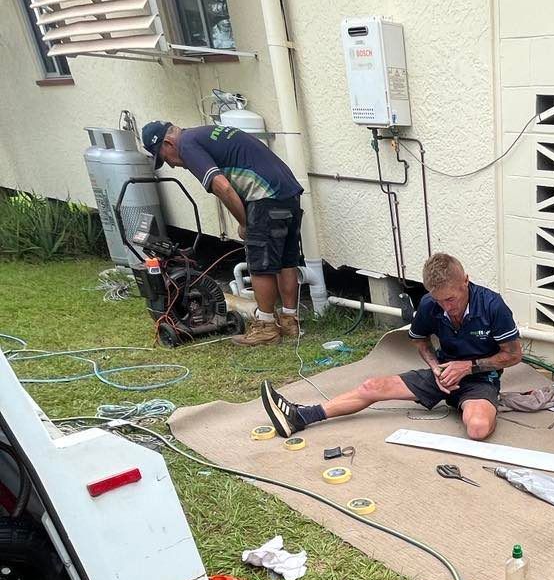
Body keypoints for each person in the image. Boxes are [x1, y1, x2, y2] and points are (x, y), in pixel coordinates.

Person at [260, 252, 522, 442]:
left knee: (477, 429)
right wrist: (435, 368)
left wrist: (469, 366)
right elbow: (420, 340)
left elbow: (513, 355)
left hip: (479, 378)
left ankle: (472, 403)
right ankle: (301, 416)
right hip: (442, 374)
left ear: (466, 280)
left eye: (451, 299)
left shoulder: (491, 305)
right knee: (371, 386)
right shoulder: (431, 304)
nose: (447, 307)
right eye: (439, 300)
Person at [141, 119, 305, 348]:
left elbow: (223, 187)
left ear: (168, 143)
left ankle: (266, 327)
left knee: (261, 265)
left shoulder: (187, 145)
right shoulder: (204, 133)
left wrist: (245, 223)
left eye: (164, 157)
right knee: (287, 261)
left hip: (265, 198)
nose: (171, 164)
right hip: (289, 194)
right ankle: (289, 321)